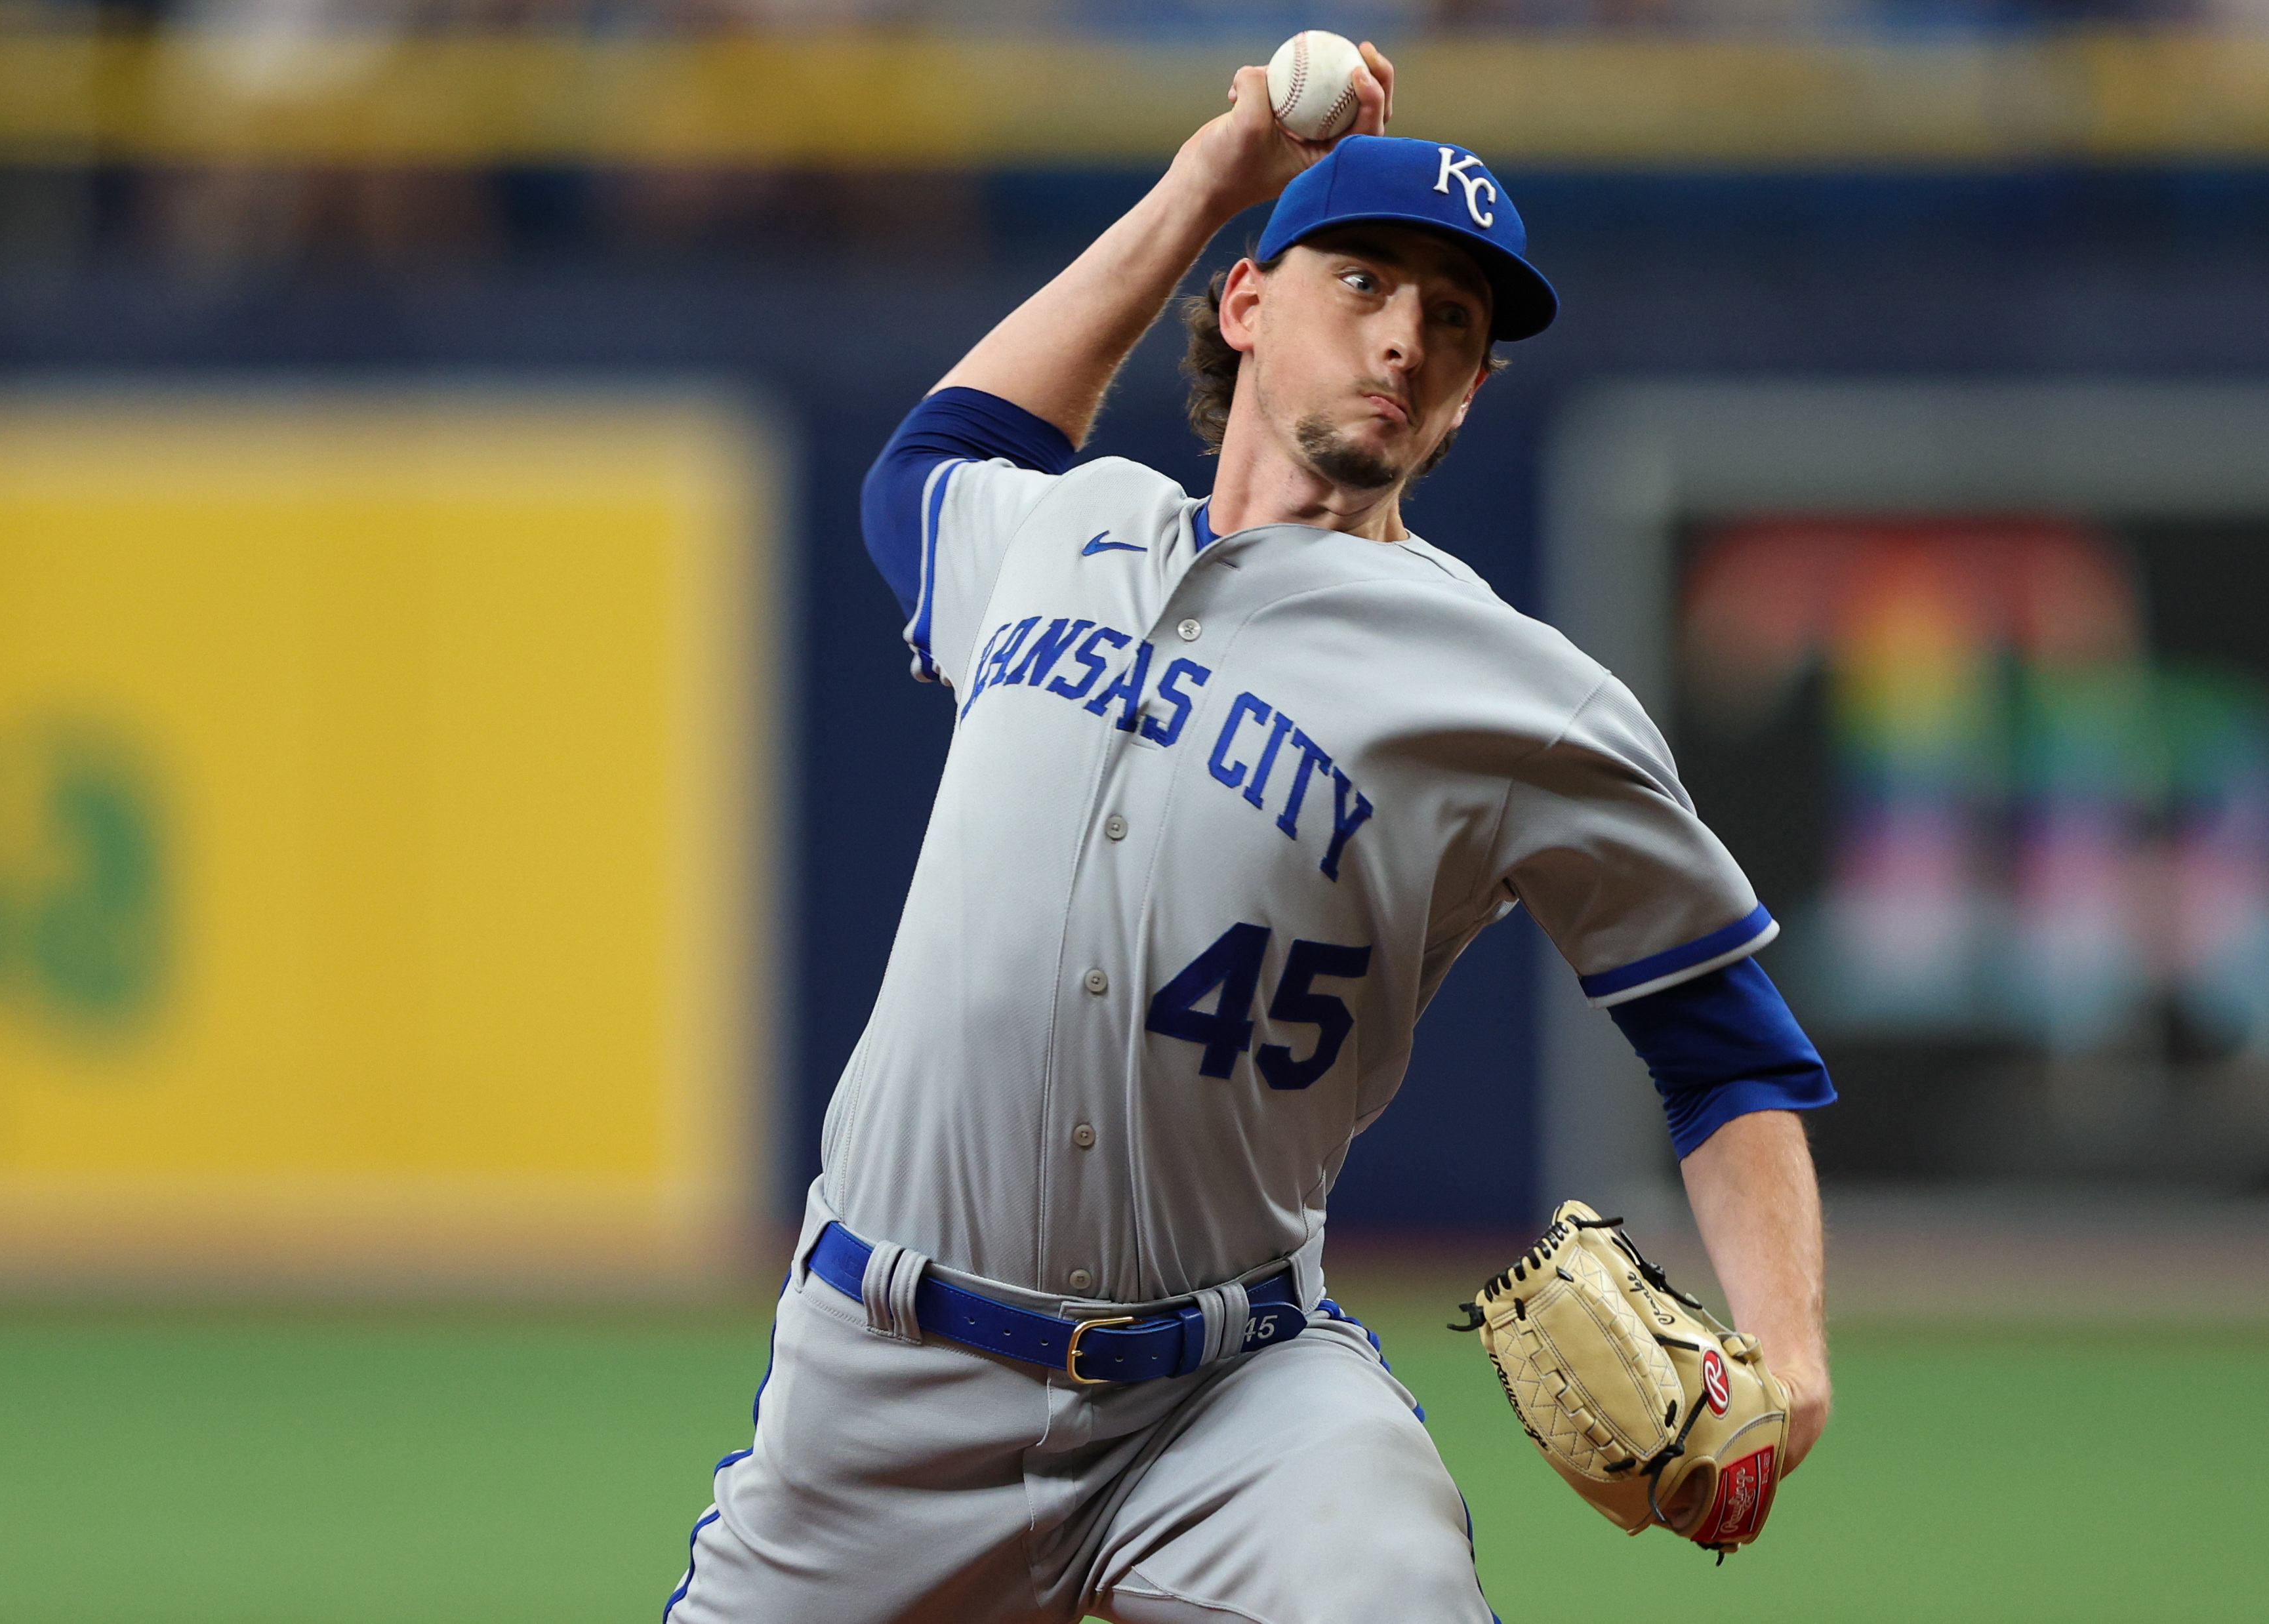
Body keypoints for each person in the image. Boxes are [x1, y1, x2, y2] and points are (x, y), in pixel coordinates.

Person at [665, 42, 1835, 1624]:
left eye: (1456, 324)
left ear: (1473, 393)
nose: (1406, 337)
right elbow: (926, 466)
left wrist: (1790, 1350)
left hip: (1230, 1402)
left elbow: (1725, 1041)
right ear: (1245, 303)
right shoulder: (1069, 528)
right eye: (1362, 280)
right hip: (882, 1377)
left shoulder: (1517, 692)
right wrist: (1210, 175)